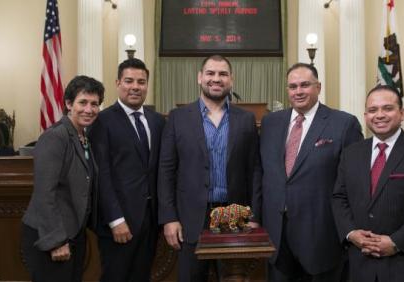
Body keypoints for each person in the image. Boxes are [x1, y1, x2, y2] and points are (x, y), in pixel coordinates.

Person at [254, 63, 363, 281]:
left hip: (322, 235)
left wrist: (349, 228)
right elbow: (261, 173)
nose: (298, 91)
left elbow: (354, 181)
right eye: (293, 86)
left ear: (318, 87)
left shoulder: (344, 123)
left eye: (305, 85)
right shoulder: (270, 123)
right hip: (276, 234)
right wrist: (256, 217)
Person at [158, 54, 260, 282]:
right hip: (191, 218)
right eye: (210, 73)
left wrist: (254, 215)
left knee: (233, 278)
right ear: (199, 78)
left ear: (231, 80)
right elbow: (166, 171)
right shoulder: (178, 118)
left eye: (223, 74)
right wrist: (169, 218)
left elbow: (254, 171)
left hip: (234, 217)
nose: (216, 79)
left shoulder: (245, 120)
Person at [331, 85, 404, 282]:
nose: (380, 115)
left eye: (388, 108)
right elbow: (339, 197)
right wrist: (351, 233)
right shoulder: (351, 153)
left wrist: (395, 242)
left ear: (402, 113)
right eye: (373, 110)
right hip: (359, 263)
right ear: (365, 115)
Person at [21, 75, 104, 282]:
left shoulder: (82, 136)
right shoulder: (55, 137)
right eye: (82, 102)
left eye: (94, 104)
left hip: (73, 233)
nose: (89, 109)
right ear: (68, 104)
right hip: (51, 236)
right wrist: (56, 241)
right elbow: (44, 194)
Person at [89, 58, 165, 282]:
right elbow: (101, 175)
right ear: (117, 83)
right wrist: (115, 220)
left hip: (150, 222)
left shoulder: (157, 121)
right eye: (129, 81)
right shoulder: (102, 121)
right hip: (119, 223)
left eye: (141, 82)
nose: (135, 87)